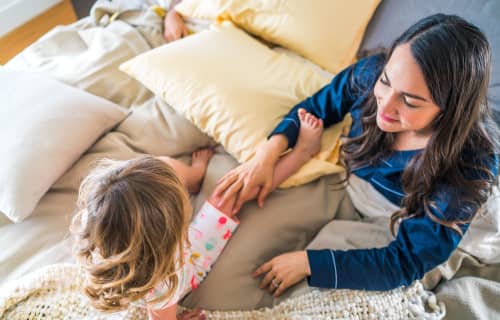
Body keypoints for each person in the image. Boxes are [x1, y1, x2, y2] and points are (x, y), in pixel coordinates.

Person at [214, 14, 499, 298]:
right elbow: (317, 106)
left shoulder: (470, 164)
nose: (385, 107)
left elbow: (405, 261)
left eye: (410, 101)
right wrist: (265, 155)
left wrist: (308, 263)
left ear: (450, 111)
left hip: (415, 219)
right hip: (355, 183)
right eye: (386, 82)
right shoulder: (370, 75)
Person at [70, 110, 326, 320]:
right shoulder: (161, 286)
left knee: (164, 166)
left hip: (148, 234)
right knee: (232, 195)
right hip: (190, 259)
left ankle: (194, 176)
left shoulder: (96, 224)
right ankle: (303, 151)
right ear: (177, 235)